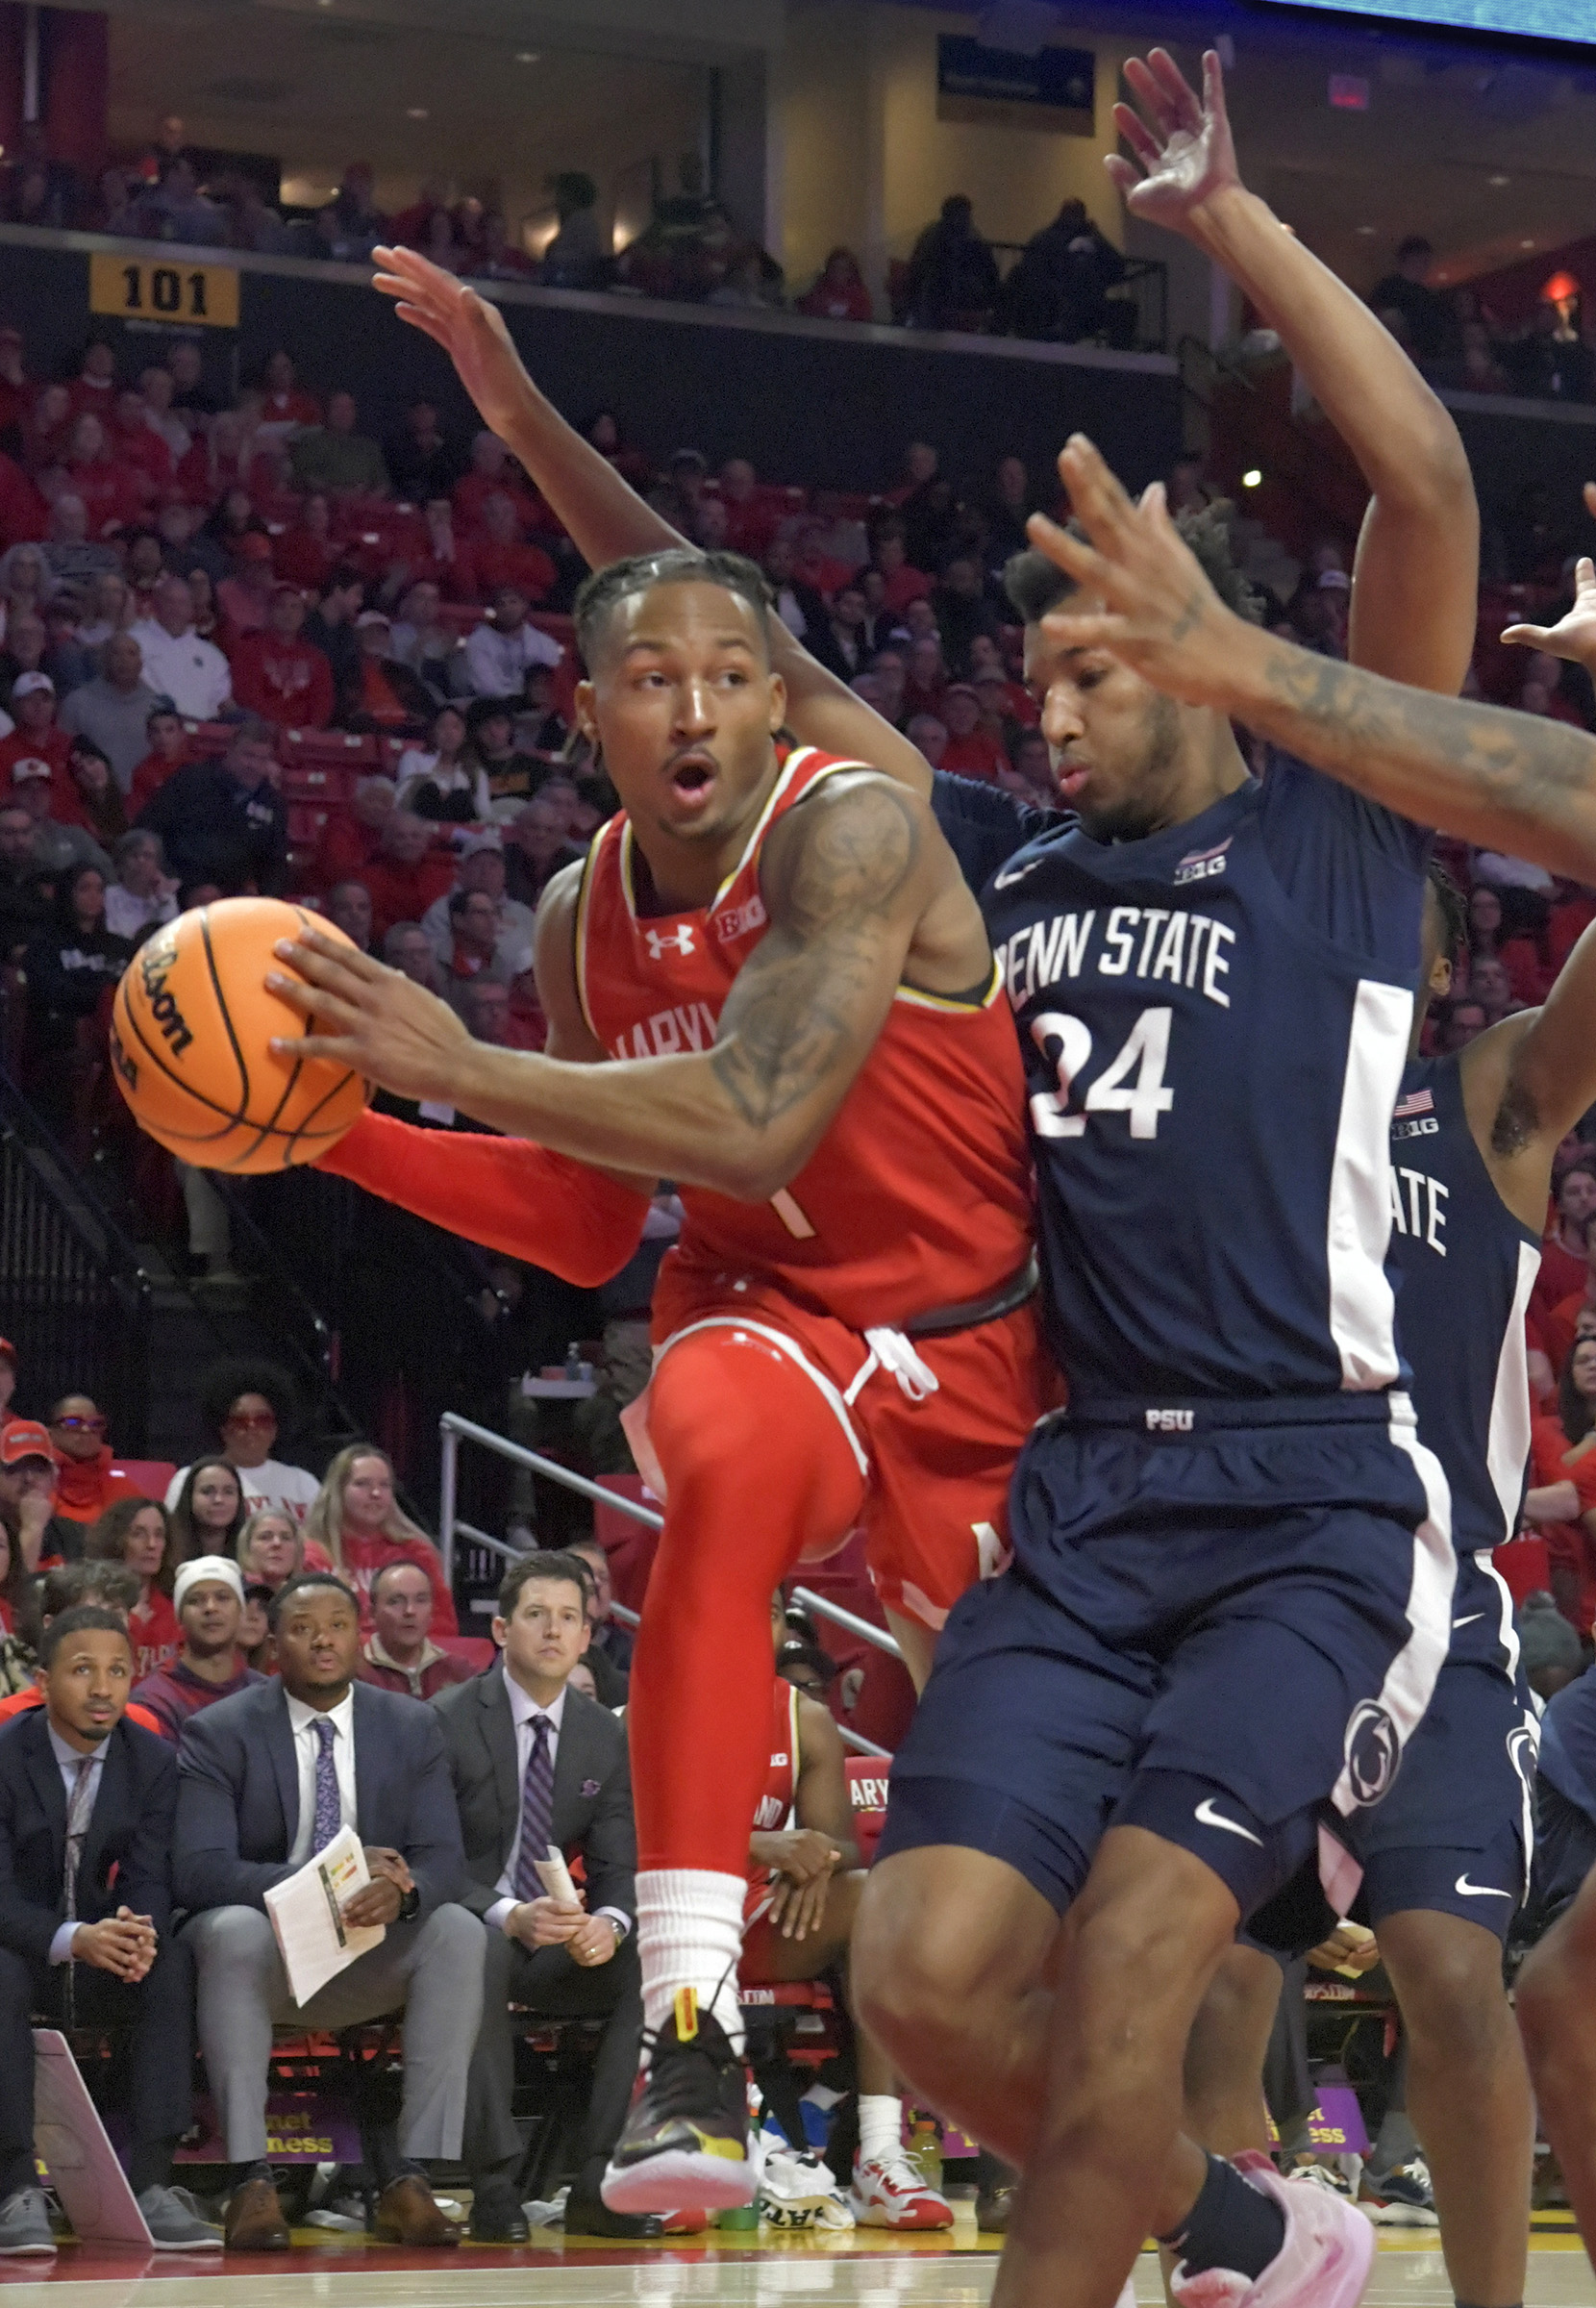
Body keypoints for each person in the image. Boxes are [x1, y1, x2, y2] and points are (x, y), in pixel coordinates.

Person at [266, 241, 1051, 2218]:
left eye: (732, 677)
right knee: (709, 1459)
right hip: (767, 1311)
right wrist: (348, 1131)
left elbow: (757, 1104)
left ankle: (1180, 2166)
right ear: (590, 708)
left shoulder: (857, 817)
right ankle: (688, 2047)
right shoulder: (575, 915)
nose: (693, 707)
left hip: (980, 1345)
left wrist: (456, 1063)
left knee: (1013, 1850)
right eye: (647, 681)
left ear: (778, 698)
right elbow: (595, 1214)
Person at [175, 1571, 482, 2249]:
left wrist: (404, 1891)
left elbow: (444, 1861)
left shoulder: (410, 1724)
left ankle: (412, 2175)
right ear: (273, 1643)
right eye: (304, 1627)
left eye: (338, 1625)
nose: (322, 1640)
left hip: (368, 1948)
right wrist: (325, 1884)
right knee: (229, 1929)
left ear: (359, 1636)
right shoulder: (218, 1731)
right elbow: (197, 1870)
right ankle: (250, 2179)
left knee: (458, 1929)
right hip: (268, 1952)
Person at [435, 1551, 650, 2242]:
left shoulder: (604, 1733)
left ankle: (599, 2180)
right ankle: (494, 2185)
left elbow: (621, 1870)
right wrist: (507, 1914)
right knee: (480, 1949)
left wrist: (609, 1925)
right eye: (536, 1616)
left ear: (589, 1636)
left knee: (650, 1962)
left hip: (556, 1936)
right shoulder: (446, 1719)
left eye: (569, 1618)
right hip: (467, 1925)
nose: (553, 1632)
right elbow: (429, 1862)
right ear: (501, 1630)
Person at [0, 1605, 215, 2255]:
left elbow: (149, 1875)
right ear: (42, 1680)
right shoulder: (6, 1758)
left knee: (169, 1961)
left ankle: (151, 2182)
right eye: (83, 1671)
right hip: (21, 1943)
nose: (103, 1688)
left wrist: (135, 1932)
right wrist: (72, 1938)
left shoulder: (150, 1760)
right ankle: (14, 2188)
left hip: (96, 1945)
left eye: (118, 1671)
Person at [738, 1591, 952, 2230]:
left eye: (770, 1613)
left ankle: (879, 2153)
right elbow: (635, 1839)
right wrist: (757, 1842)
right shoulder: (656, 1705)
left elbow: (836, 1843)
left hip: (759, 1914)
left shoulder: (804, 1719)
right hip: (671, 1911)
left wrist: (812, 1859)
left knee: (877, 1893)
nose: (755, 1626)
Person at [301, 1444, 457, 1634]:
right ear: (338, 1491)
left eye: (384, 1485)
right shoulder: (308, 1554)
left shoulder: (416, 1552)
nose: (376, 1494)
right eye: (362, 1484)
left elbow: (444, 1627)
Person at [136, 716, 288, 896]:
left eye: (262, 759)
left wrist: (268, 900)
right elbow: (147, 828)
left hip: (233, 894)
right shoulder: (192, 780)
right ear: (230, 751)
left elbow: (275, 863)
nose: (253, 765)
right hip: (176, 883)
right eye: (248, 755)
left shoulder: (272, 803)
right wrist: (163, 875)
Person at [165, 1362, 322, 1526]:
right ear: (222, 1428)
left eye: (263, 1420)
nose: (252, 1428)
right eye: (240, 1421)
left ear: (276, 1428)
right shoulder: (190, 1479)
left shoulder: (304, 1483)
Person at [132, 1554, 263, 1742]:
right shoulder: (154, 1700)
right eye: (195, 1600)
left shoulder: (266, 1694)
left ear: (241, 1612)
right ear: (179, 1618)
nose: (210, 1607)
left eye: (223, 1597)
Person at [85, 1495, 181, 1679]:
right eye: (138, 1534)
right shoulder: (96, 1606)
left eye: (159, 1535)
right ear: (117, 1541)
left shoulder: (176, 1606)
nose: (151, 1545)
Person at [58, 631, 163, 793]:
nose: (124, 660)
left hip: (148, 801)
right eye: (116, 653)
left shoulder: (158, 706)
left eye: (131, 653)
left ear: (141, 663)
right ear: (104, 660)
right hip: (93, 802)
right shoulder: (77, 703)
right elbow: (62, 757)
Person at [357, 1559, 473, 1700]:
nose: (410, 1611)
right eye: (396, 1601)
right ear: (372, 1613)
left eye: (421, 1600)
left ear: (432, 1610)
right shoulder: (355, 1674)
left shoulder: (458, 1672)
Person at [228, 585, 336, 732]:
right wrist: (277, 726)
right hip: (262, 731)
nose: (288, 613)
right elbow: (247, 695)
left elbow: (323, 700)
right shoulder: (250, 649)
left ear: (304, 615)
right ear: (270, 612)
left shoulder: (317, 658)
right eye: (281, 606)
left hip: (305, 736)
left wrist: (313, 727)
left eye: (295, 607)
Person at [128, 574, 232, 723]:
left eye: (182, 603)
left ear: (191, 609)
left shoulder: (211, 655)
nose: (175, 609)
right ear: (156, 605)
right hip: (150, 729)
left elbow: (224, 703)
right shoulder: (133, 641)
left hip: (203, 734)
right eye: (169, 601)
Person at [45, 1392, 141, 1527]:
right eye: (73, 1422)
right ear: (50, 1433)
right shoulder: (35, 1485)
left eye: (95, 1423)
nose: (86, 1429)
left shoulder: (124, 1491)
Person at [904, 195, 998, 331]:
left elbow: (917, 270)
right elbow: (989, 276)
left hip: (936, 306)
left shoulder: (931, 238)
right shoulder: (972, 239)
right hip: (947, 306)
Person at [461, 583, 561, 700]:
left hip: (538, 707)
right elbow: (486, 687)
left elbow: (551, 682)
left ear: (524, 606)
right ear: (495, 609)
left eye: (513, 602)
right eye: (501, 604)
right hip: (495, 707)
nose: (507, 608)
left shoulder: (545, 643)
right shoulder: (478, 642)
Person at [104, 827, 177, 941]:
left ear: (157, 864)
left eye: (148, 856)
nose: (141, 861)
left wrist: (161, 900)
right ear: (122, 862)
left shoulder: (166, 900)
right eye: (134, 855)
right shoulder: (108, 897)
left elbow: (172, 936)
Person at [168, 1457, 246, 1564]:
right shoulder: (167, 1550)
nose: (219, 1500)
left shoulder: (252, 1553)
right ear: (189, 1496)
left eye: (228, 1492)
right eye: (207, 1491)